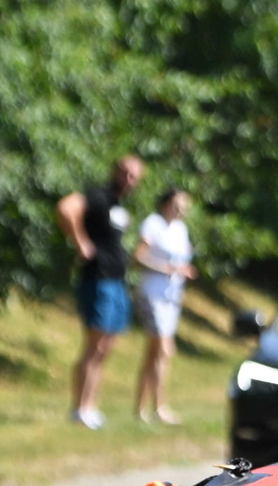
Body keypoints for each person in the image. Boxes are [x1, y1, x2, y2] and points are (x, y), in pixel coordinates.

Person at [57, 155, 142, 430]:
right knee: (94, 346)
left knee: (106, 347)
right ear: (116, 171)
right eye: (126, 173)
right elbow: (66, 208)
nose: (130, 180)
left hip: (117, 282)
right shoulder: (98, 195)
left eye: (135, 176)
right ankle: (79, 408)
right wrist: (80, 241)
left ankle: (91, 406)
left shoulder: (118, 205)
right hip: (98, 280)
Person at [132, 188, 195, 424]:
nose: (182, 211)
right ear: (166, 203)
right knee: (164, 349)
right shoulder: (153, 224)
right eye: (178, 205)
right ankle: (159, 407)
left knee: (154, 354)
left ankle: (141, 408)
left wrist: (183, 271)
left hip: (172, 297)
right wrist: (166, 268)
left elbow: (182, 259)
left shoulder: (180, 230)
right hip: (152, 295)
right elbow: (139, 256)